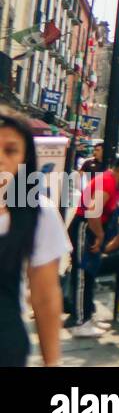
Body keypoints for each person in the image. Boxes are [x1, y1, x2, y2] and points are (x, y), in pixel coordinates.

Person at [0, 107, 70, 366]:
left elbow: (45, 295)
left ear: (24, 159)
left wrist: (52, 362)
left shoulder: (40, 214)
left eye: (10, 150)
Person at [67, 153, 119, 337]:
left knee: (90, 274)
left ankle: (87, 317)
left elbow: (110, 211)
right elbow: (93, 211)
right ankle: (80, 322)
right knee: (83, 274)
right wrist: (99, 235)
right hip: (85, 227)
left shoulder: (115, 184)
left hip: (92, 227)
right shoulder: (107, 181)